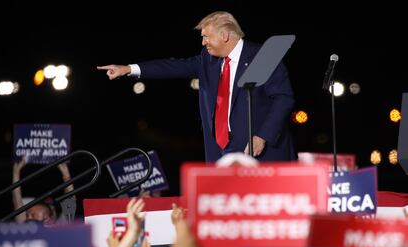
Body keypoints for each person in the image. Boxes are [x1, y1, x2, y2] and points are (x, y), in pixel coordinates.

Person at [97, 11, 296, 163]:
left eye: (207, 37)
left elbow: (283, 98)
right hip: (221, 154)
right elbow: (173, 66)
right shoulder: (208, 60)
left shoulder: (263, 55)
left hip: (260, 152)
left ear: (225, 35)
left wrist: (262, 135)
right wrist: (128, 69)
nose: (203, 42)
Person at [12, 158, 74, 223]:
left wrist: (65, 173)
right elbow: (17, 203)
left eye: (33, 215)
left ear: (46, 217)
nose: (28, 218)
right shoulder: (26, 228)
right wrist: (16, 172)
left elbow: (69, 202)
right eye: (27, 215)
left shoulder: (59, 229)